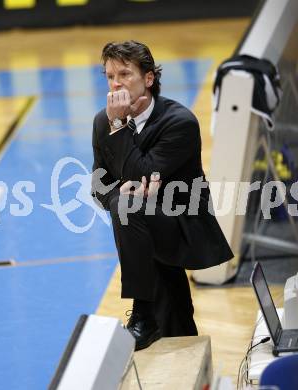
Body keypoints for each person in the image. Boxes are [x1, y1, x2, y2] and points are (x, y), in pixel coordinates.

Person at [91, 40, 233, 351]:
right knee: (172, 302)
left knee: (128, 204)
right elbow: (99, 185)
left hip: (182, 225)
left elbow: (139, 173)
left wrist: (119, 126)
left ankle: (142, 312)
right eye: (109, 76)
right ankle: (164, 331)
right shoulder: (102, 121)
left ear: (149, 78)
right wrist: (122, 191)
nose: (116, 84)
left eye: (125, 74)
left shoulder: (178, 122)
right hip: (139, 225)